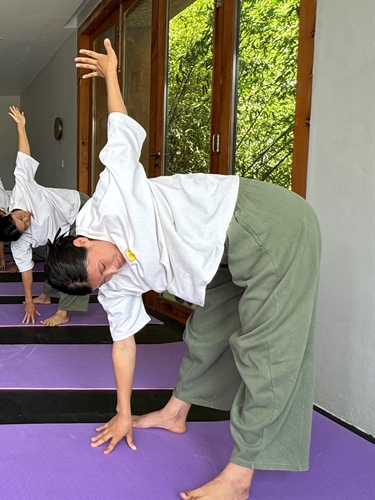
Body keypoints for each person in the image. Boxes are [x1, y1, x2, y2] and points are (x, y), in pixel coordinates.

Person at [44, 39, 320, 499]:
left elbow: (119, 131)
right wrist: (124, 411)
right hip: (219, 257)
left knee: (267, 352)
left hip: (262, 224)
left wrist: (112, 75)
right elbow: (124, 344)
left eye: (103, 265)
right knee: (206, 333)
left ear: (83, 239)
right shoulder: (108, 283)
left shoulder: (111, 198)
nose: (111, 274)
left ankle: (239, 477)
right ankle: (175, 413)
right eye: (102, 281)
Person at [0, 106, 91, 326]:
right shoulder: (19, 244)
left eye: (20, 217)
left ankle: (63, 312)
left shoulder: (22, 189)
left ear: (8, 213)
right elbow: (26, 271)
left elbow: (23, 157)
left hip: (77, 209)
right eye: (25, 224)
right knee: (54, 259)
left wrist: (21, 126)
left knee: (73, 262)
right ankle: (45, 296)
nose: (27, 217)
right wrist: (28, 302)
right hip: (59, 231)